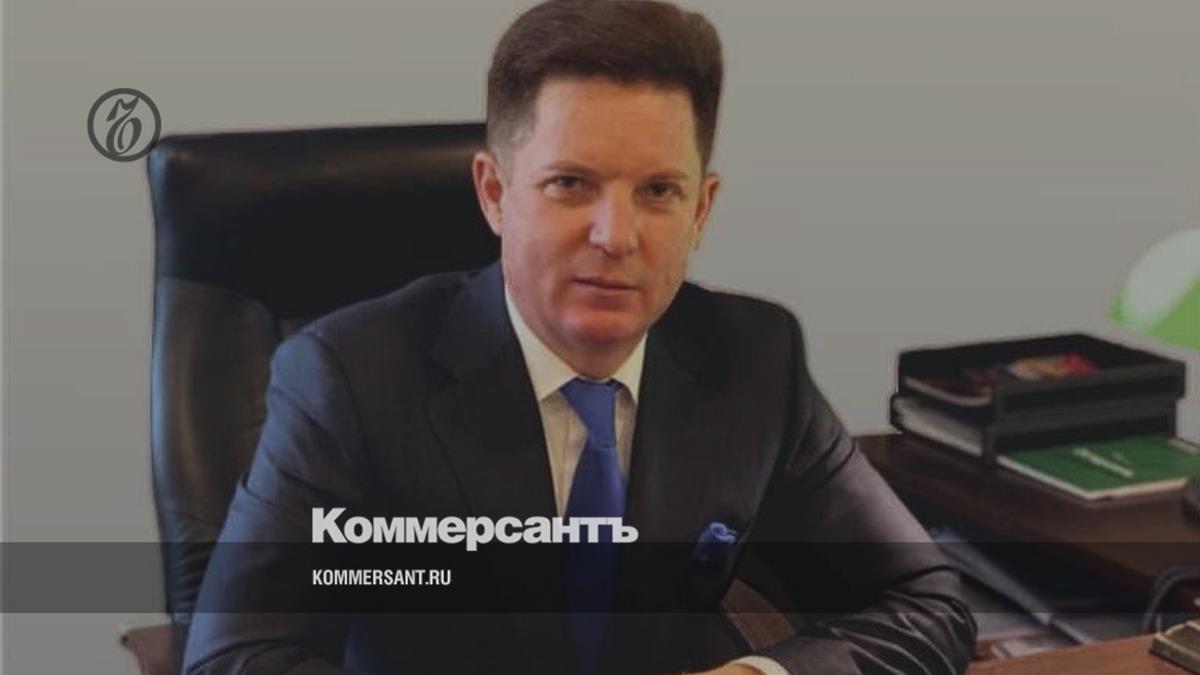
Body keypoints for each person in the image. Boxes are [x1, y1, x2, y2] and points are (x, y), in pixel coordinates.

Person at [183, 1, 976, 673]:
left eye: (658, 191)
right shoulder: (348, 379)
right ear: (495, 193)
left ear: (701, 210)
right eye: (571, 184)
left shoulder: (755, 358)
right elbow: (235, 657)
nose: (616, 235)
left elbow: (927, 602)